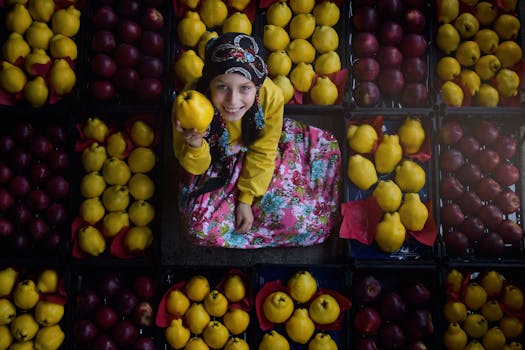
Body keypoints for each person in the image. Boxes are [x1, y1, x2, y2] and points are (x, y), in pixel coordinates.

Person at [172, 32, 341, 248]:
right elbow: (194, 167)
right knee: (197, 229)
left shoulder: (270, 97)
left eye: (245, 88)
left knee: (298, 220)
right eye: (221, 86)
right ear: (209, 83)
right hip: (213, 160)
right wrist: (195, 144)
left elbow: (263, 151)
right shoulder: (189, 104)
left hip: (256, 152)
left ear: (258, 86)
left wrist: (245, 199)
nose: (233, 101)